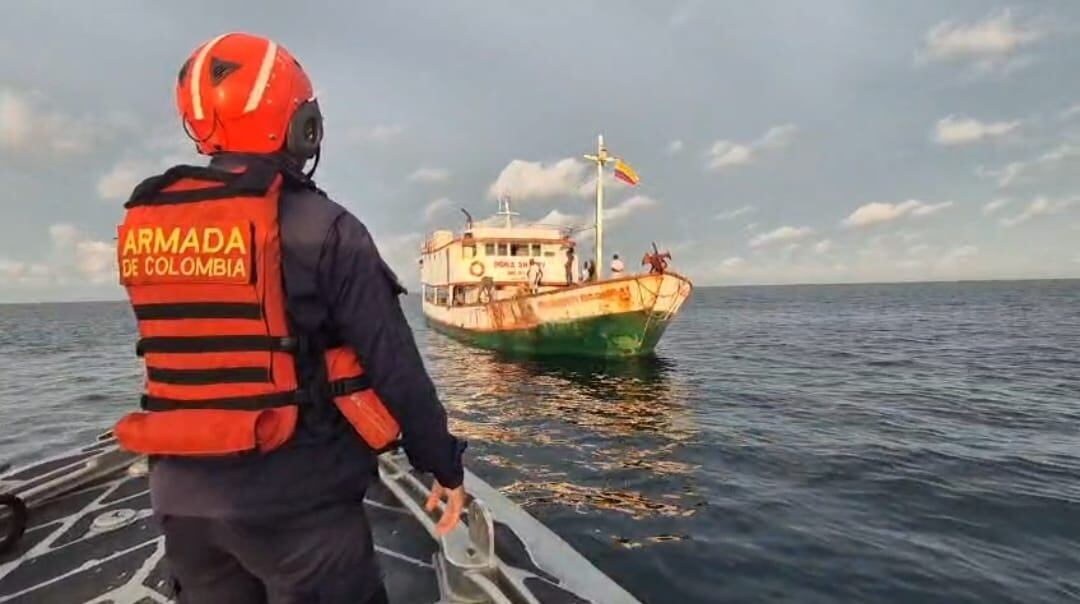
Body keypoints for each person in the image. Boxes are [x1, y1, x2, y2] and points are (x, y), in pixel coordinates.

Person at [110, 32, 466, 604]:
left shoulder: (147, 223)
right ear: (302, 126)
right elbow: (394, 364)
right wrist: (444, 466)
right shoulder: (328, 230)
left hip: (182, 501)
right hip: (299, 509)